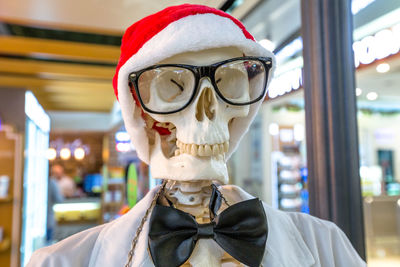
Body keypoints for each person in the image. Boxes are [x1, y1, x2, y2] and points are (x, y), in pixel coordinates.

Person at [28, 4, 366, 266]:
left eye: (229, 83)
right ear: (140, 113)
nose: (206, 112)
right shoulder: (61, 261)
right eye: (173, 86)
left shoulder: (326, 245)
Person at [46, 175, 64, 243]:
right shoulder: (51, 182)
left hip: (39, 221)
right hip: (48, 219)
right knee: (47, 244)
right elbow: (59, 199)